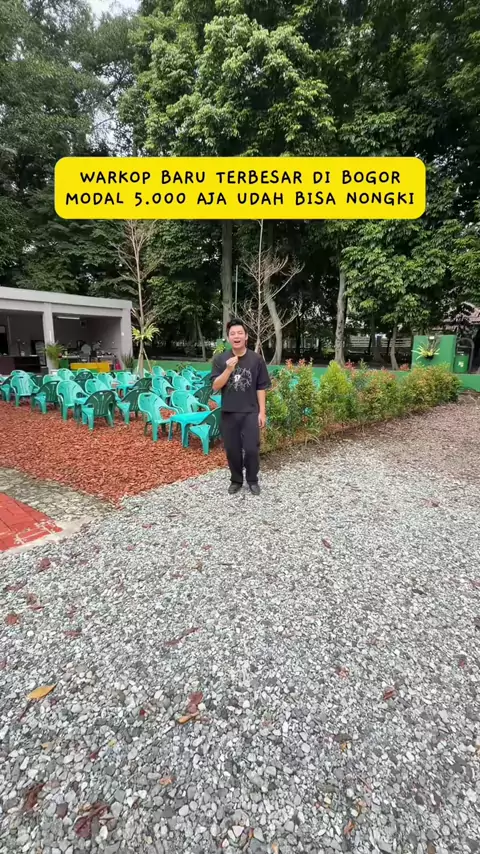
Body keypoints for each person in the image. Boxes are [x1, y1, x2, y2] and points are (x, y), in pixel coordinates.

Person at [211, 319, 271, 495]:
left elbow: (261, 387)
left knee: (252, 449)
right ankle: (236, 480)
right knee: (232, 450)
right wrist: (228, 370)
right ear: (228, 338)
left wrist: (262, 412)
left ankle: (252, 480)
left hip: (251, 412)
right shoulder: (220, 359)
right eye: (232, 334)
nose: (236, 336)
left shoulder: (256, 359)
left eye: (239, 333)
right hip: (229, 412)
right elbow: (215, 386)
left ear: (246, 336)